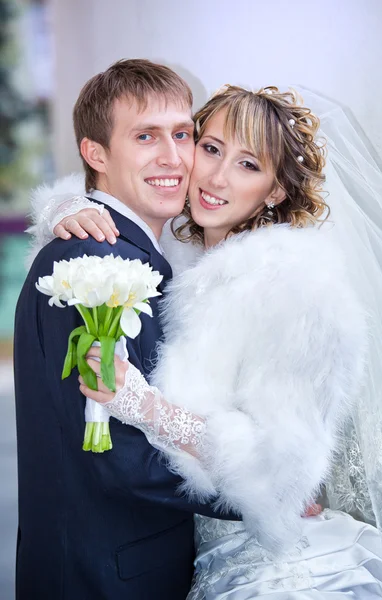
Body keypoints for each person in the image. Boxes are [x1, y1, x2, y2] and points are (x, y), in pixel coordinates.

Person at [31, 83, 382, 597]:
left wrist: (148, 408)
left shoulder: (293, 286)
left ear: (275, 190)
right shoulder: (179, 262)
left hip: (266, 565)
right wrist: (66, 207)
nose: (217, 177)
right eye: (210, 148)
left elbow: (279, 467)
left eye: (249, 165)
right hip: (191, 555)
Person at [13, 59, 243, 600]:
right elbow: (116, 456)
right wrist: (254, 495)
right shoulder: (93, 265)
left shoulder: (144, 251)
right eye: (146, 136)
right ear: (96, 154)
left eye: (182, 134)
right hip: (106, 574)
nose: (173, 157)